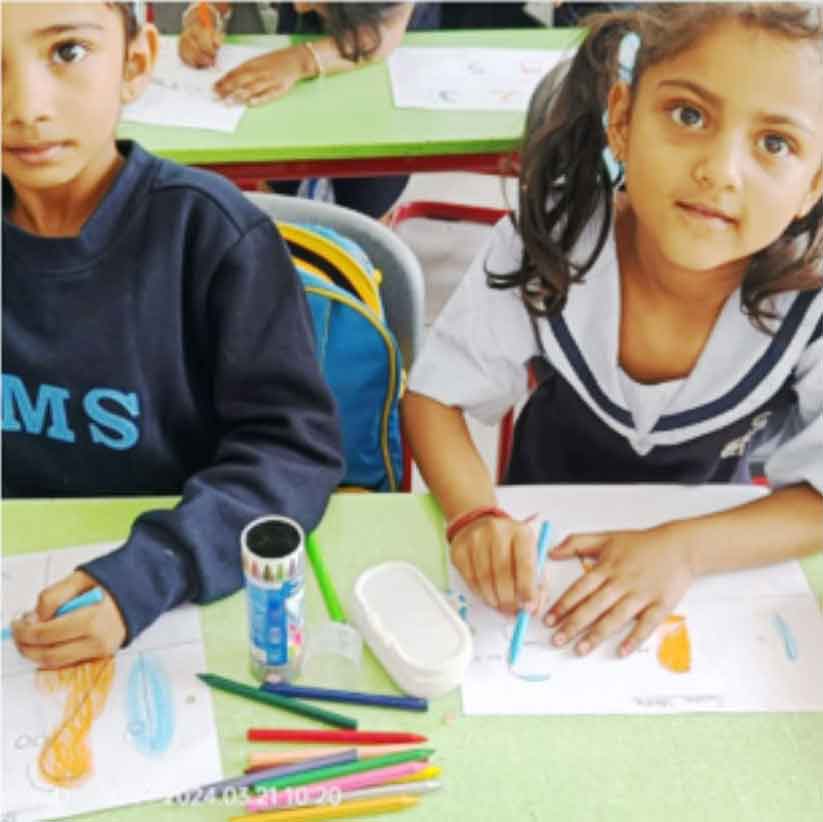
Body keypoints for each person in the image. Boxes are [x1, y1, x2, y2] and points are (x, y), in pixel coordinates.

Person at [403, 3, 823, 659]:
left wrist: (682, 551)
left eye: (775, 144)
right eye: (688, 115)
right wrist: (475, 516)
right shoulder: (554, 237)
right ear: (622, 120)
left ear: (813, 184)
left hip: (714, 564)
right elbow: (435, 397)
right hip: (540, 555)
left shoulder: (811, 302)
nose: (720, 170)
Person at [2, 1, 344, 668]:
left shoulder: (212, 237)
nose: (25, 107)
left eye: (67, 52)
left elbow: (291, 450)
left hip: (179, 599)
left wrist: (154, 569)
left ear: (135, 64)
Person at [175, 2, 440, 219]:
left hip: (380, 46)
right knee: (282, 165)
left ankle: (369, 238)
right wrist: (204, 14)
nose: (299, 6)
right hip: (304, 40)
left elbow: (384, 33)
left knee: (365, 193)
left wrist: (302, 60)